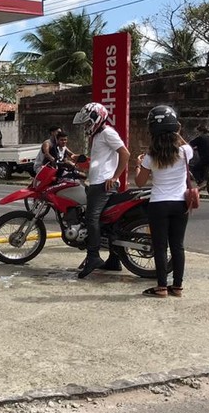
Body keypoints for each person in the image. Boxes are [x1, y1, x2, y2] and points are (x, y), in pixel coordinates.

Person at [134, 105, 191, 298]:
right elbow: (182, 142)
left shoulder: (150, 156)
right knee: (178, 246)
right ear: (175, 127)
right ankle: (178, 287)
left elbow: (140, 182)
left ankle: (161, 287)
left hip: (158, 204)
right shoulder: (185, 151)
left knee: (160, 246)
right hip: (180, 203)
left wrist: (138, 165)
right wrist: (177, 131)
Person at [73, 102, 130, 279]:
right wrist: (80, 160)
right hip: (97, 182)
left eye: (88, 123)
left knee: (91, 218)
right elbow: (101, 158)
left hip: (103, 185)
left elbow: (125, 154)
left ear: (97, 119)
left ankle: (93, 256)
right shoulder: (98, 136)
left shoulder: (107, 133)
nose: (86, 127)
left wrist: (115, 177)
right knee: (108, 223)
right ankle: (114, 259)